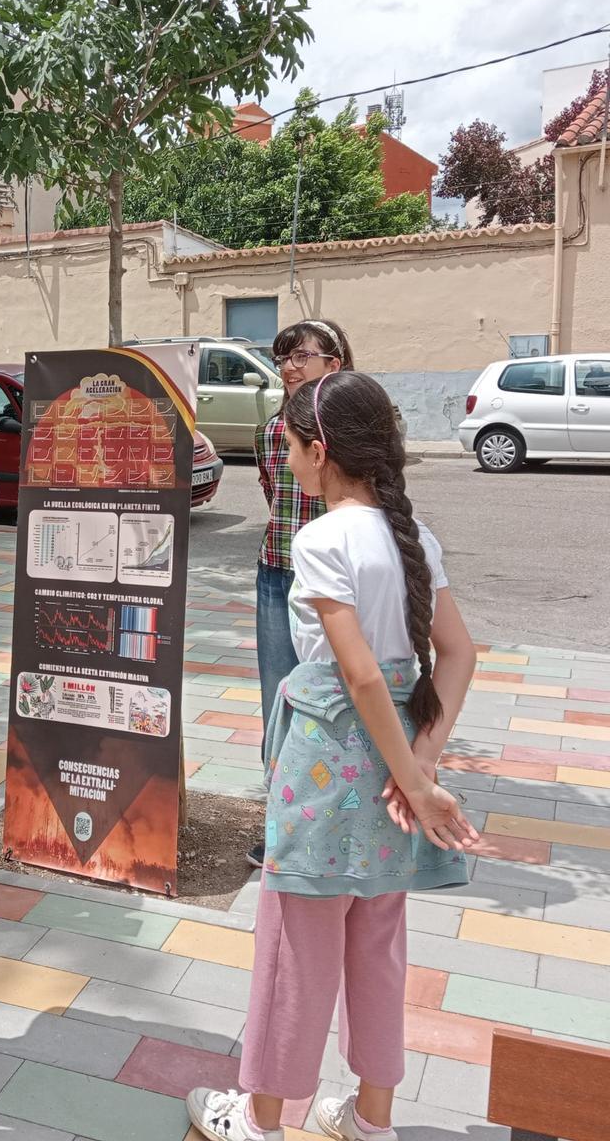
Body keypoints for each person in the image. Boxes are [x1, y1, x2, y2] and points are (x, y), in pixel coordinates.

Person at [187, 371, 479, 1141]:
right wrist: (418, 766)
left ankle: (258, 1122)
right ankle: (372, 1120)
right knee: (378, 944)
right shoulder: (415, 539)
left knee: (295, 952)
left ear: (319, 451)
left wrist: (416, 778)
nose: (286, 462)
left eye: (288, 447)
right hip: (393, 769)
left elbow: (358, 675)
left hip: (324, 770)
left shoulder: (320, 539)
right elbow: (457, 654)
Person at [248, 320, 355, 869]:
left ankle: (342, 814)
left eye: (300, 356)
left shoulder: (352, 428)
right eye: (282, 358)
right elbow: (275, 498)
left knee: (339, 696)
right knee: (280, 699)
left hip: (334, 579)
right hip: (277, 573)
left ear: (334, 364)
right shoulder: (271, 431)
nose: (288, 367)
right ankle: (282, 824)